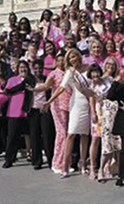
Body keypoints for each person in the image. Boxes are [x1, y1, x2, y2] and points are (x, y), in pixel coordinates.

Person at [45, 49, 94, 177]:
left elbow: (94, 83)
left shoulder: (88, 68)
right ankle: (65, 165)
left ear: (79, 56)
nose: (73, 59)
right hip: (76, 104)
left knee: (85, 135)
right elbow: (61, 87)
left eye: (74, 56)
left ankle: (82, 163)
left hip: (89, 103)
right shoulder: (70, 72)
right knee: (71, 134)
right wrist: (49, 100)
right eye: (70, 57)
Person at [36, 52, 70, 175]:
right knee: (61, 134)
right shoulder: (53, 74)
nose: (61, 62)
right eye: (59, 60)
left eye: (63, 60)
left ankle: (66, 162)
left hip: (69, 106)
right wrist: (34, 89)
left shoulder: (69, 73)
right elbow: (45, 86)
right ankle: (57, 163)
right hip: (57, 106)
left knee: (68, 134)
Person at [2, 60, 34, 169]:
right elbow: (6, 95)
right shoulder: (12, 80)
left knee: (30, 135)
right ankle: (9, 159)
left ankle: (32, 155)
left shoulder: (31, 80)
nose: (23, 69)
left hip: (28, 111)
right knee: (12, 137)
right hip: (14, 112)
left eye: (25, 67)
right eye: (21, 68)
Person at [28, 59, 54, 171]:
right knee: (34, 135)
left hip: (45, 110)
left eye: (40, 68)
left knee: (47, 135)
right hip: (33, 110)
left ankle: (50, 160)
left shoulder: (46, 79)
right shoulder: (29, 80)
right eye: (36, 68)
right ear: (33, 69)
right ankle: (37, 160)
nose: (38, 70)